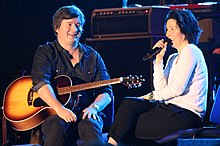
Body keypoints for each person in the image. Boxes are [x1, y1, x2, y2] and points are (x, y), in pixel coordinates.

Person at [107, 9, 208, 145]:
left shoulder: (191, 50)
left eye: (173, 29)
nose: (168, 34)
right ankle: (111, 142)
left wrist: (150, 96)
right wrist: (158, 61)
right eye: (167, 29)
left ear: (185, 29)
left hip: (186, 114)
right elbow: (161, 88)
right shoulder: (173, 58)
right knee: (129, 103)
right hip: (168, 109)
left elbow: (177, 89)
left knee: (130, 125)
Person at [31, 5, 113, 146]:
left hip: (86, 113)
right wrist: (59, 109)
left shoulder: (93, 55)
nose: (75, 30)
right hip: (55, 113)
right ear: (57, 28)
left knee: (90, 125)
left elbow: (106, 91)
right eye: (69, 25)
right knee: (57, 125)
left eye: (78, 25)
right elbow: (41, 83)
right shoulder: (46, 51)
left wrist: (94, 107)